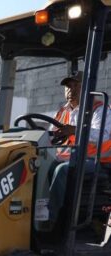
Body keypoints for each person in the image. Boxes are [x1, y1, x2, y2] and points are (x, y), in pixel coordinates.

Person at [47, 70, 111, 224]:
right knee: (41, 167)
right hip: (71, 159)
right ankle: (38, 213)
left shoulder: (99, 108)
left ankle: (52, 220)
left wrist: (74, 130)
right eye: (68, 86)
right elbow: (50, 135)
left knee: (61, 170)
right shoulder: (62, 112)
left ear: (87, 88)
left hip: (98, 162)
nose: (71, 90)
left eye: (76, 86)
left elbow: (103, 135)